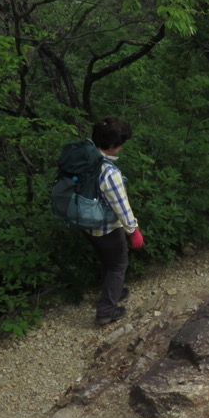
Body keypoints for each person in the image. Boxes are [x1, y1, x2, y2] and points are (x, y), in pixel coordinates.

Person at [84, 117, 144, 326]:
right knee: (118, 265)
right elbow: (121, 206)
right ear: (111, 145)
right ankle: (106, 310)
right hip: (107, 228)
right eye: (119, 143)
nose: (120, 147)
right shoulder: (109, 172)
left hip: (87, 224)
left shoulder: (85, 159)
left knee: (106, 261)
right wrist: (133, 231)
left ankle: (113, 291)